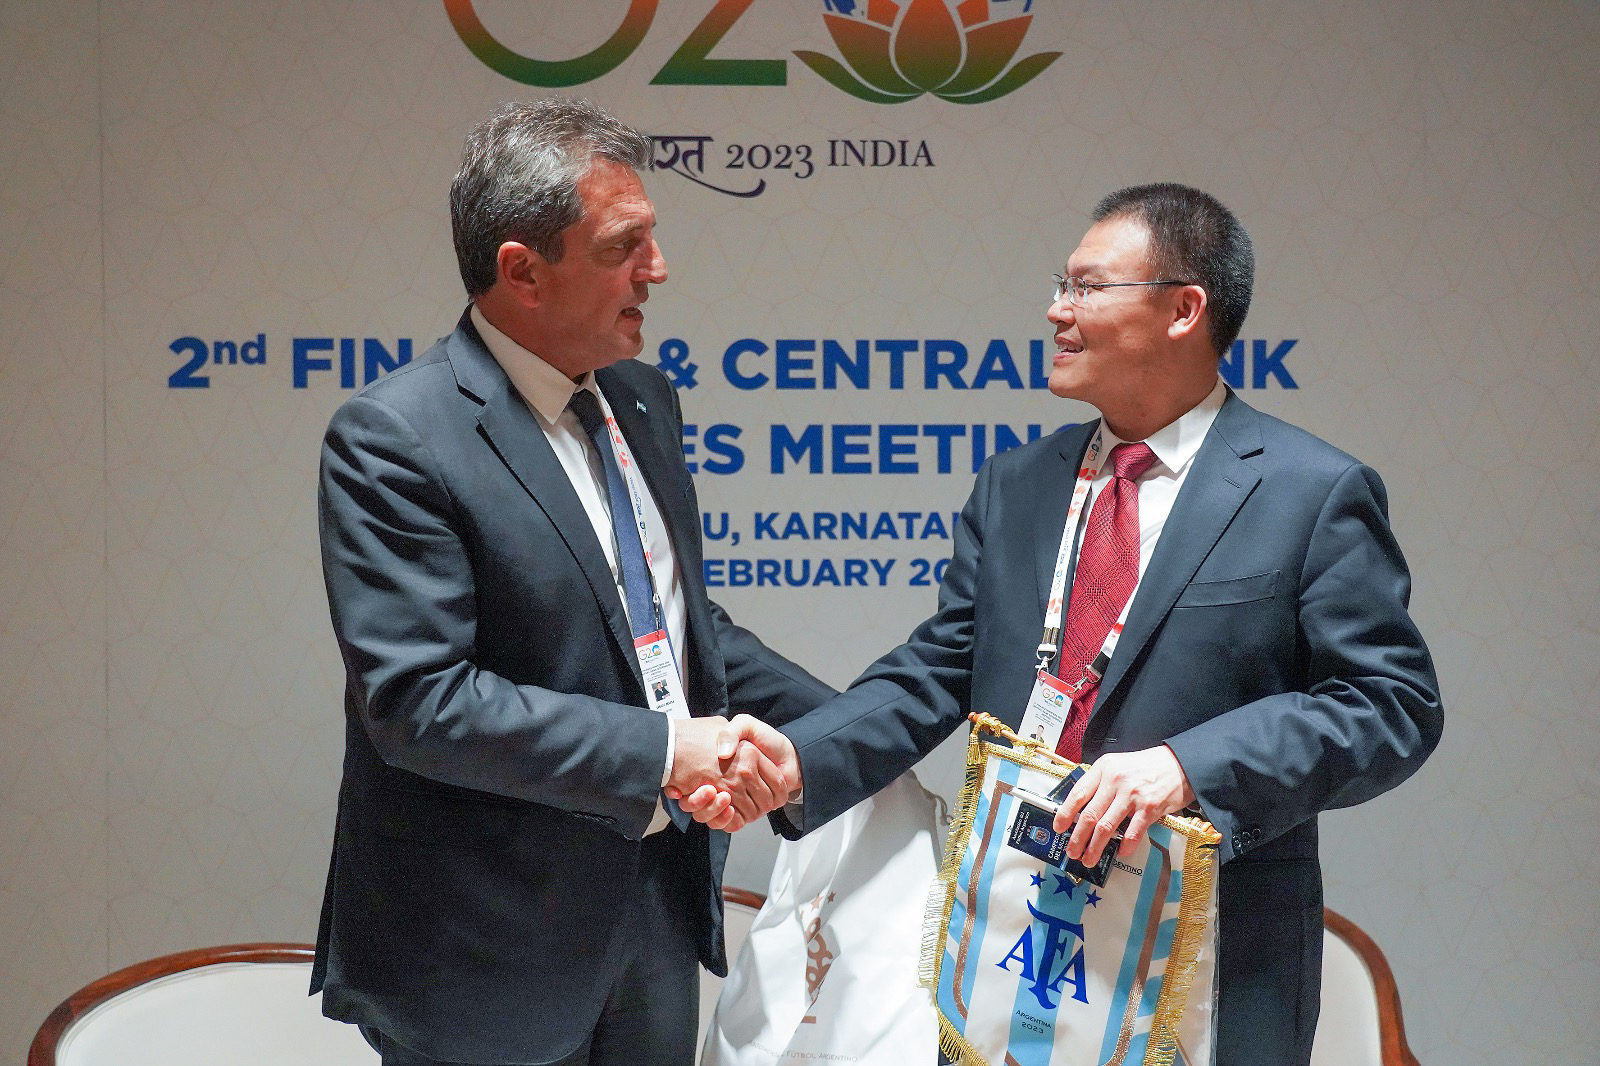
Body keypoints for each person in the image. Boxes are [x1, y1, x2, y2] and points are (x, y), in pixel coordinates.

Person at [703, 183, 1443, 1064]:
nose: (1057, 310)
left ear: (1184, 309)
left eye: (1088, 288)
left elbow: (1389, 705)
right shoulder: (1018, 484)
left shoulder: (1307, 490)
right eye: (1062, 285)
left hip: (1208, 951)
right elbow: (942, 666)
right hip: (1012, 933)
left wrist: (1186, 769)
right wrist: (802, 758)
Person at [311, 97, 830, 1066]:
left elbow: (678, 627)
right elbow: (421, 703)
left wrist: (847, 736)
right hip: (481, 948)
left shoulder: (642, 397)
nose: (657, 270)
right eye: (624, 246)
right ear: (522, 272)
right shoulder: (396, 437)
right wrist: (666, 748)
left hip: (654, 916)